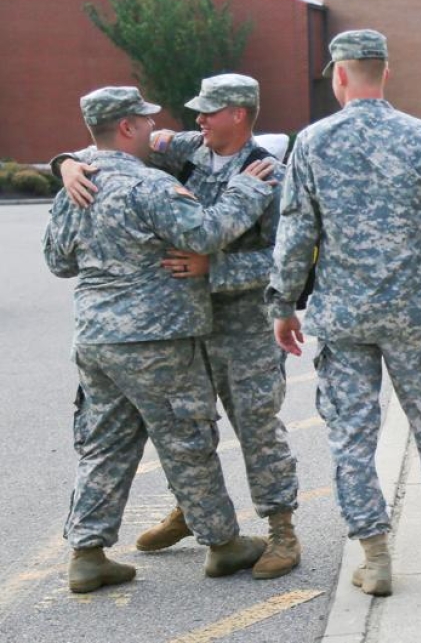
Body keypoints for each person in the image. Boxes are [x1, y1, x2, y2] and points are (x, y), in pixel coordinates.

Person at [266, 29, 421, 597]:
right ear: (384, 72)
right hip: (413, 314)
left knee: (351, 437)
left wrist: (281, 306)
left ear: (339, 75)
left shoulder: (313, 143)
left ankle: (375, 558)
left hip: (344, 320)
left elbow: (295, 236)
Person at [55, 75, 302, 580]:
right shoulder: (183, 151)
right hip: (176, 325)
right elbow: (110, 143)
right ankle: (195, 514)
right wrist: (66, 163)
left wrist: (216, 269)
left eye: (209, 111)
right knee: (184, 430)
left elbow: (287, 259)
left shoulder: (268, 173)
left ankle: (281, 529)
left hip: (239, 327)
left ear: (239, 113)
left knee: (256, 428)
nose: (196, 120)